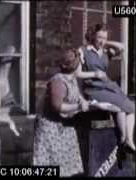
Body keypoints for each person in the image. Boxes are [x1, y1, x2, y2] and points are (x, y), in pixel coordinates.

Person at [75, 23, 136, 153]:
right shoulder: (83, 51)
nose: (102, 41)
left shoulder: (107, 52)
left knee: (132, 108)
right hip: (94, 90)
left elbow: (122, 47)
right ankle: (123, 138)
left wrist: (106, 42)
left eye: (104, 38)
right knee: (120, 107)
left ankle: (128, 140)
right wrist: (94, 74)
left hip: (109, 87)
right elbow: (77, 74)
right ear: (92, 36)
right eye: (99, 37)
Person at [33, 48, 89, 177]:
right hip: (50, 129)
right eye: (80, 62)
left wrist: (83, 101)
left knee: (65, 168)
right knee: (51, 165)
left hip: (65, 127)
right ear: (75, 65)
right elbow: (57, 106)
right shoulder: (58, 81)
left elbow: (77, 94)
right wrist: (78, 107)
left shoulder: (72, 78)